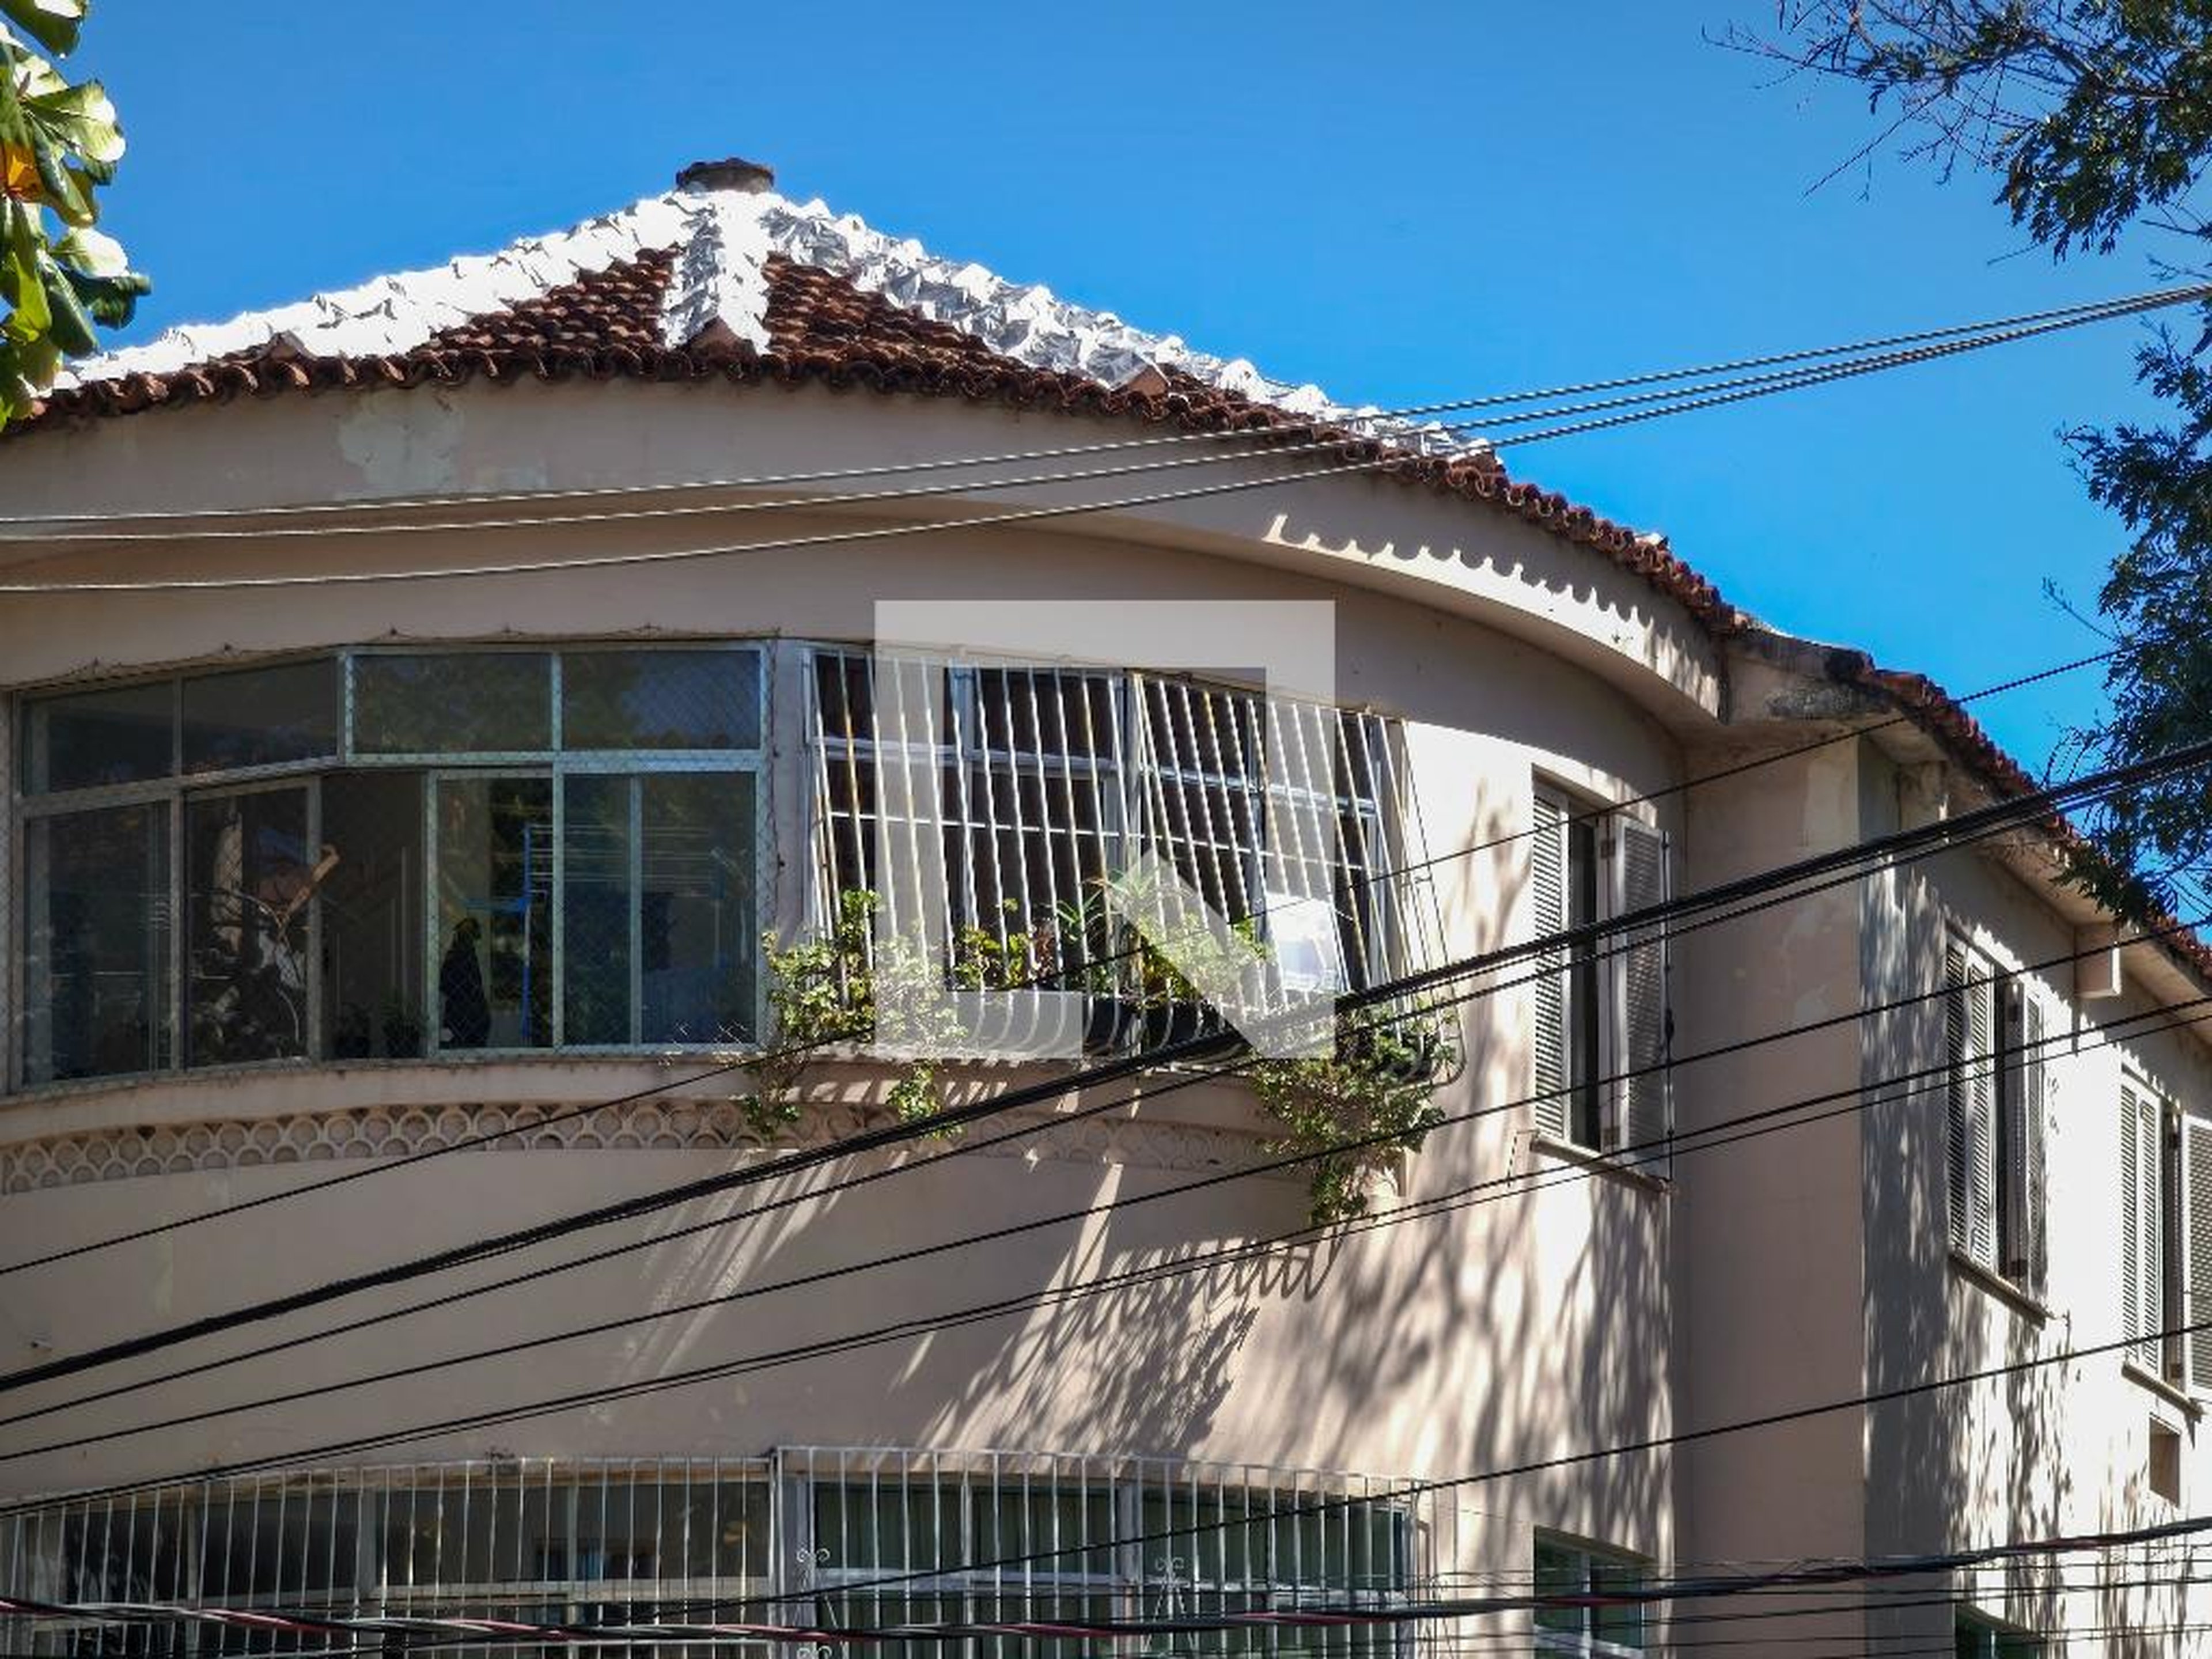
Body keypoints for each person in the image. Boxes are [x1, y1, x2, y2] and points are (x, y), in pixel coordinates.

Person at [440, 916, 491, 1048]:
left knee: (449, 1046)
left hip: (463, 1013)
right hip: (469, 1012)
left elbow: (444, 985)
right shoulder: (463, 955)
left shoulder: (457, 954)